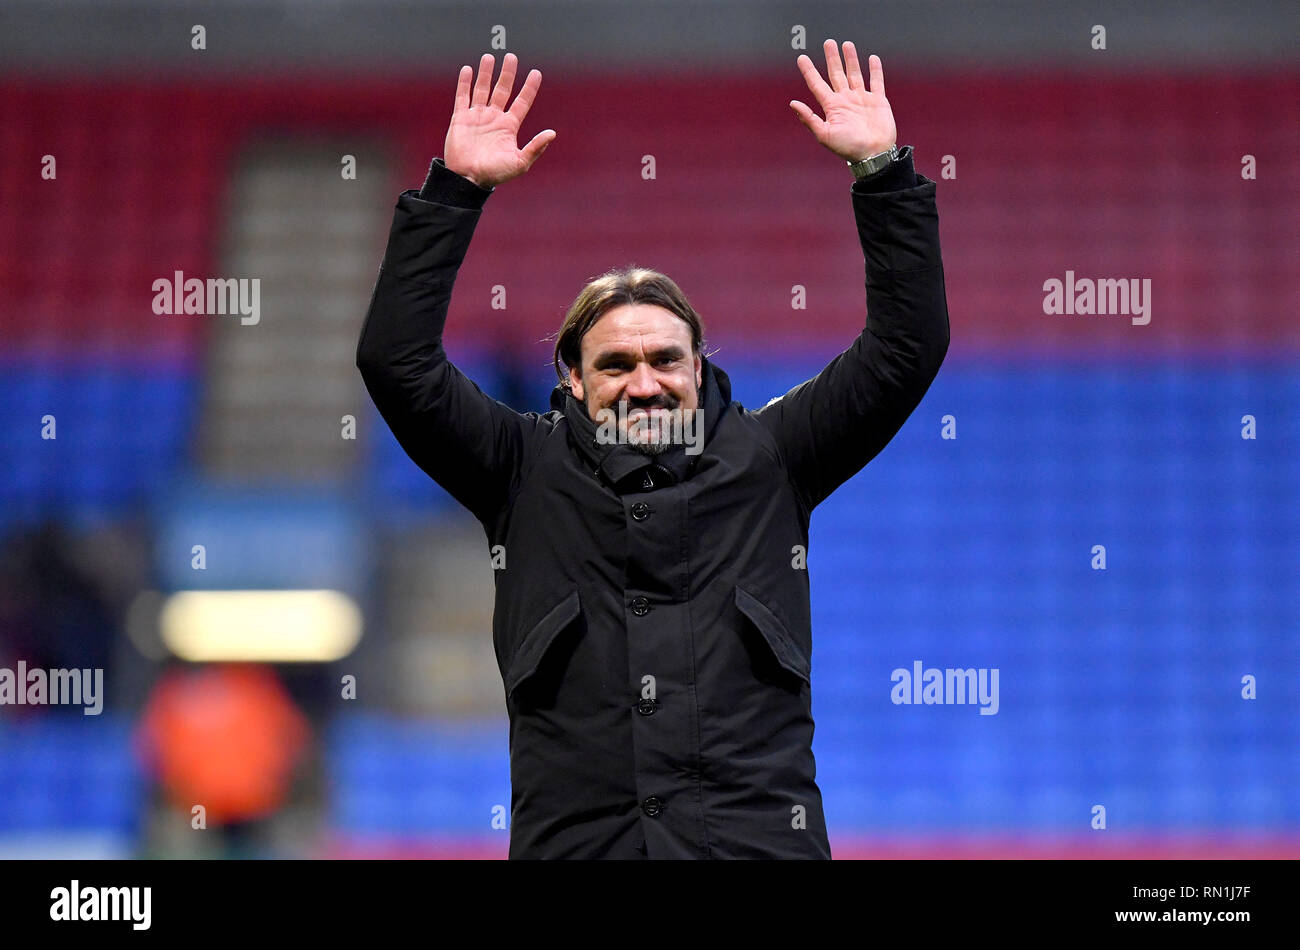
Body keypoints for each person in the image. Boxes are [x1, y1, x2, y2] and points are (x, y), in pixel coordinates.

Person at [356, 40, 950, 859]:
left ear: (697, 365)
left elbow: (906, 348)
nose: (644, 382)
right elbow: (396, 363)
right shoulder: (518, 471)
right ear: (570, 378)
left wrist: (882, 173)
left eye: (665, 359)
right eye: (615, 363)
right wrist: (454, 194)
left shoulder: (774, 456)